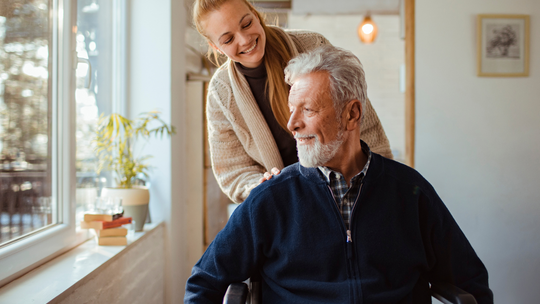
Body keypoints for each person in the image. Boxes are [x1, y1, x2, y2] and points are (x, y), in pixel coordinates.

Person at [184, 45, 493, 303]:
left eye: (308, 110)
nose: (291, 124)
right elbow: (203, 285)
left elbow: (471, 283)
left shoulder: (410, 192)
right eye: (292, 110)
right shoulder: (271, 198)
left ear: (352, 114)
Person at [193, 0, 393, 203]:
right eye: (228, 40)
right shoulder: (220, 92)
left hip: (349, 189)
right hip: (286, 204)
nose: (244, 40)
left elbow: (361, 123)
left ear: (255, 14)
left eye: (246, 24)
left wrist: (382, 180)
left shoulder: (313, 46)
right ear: (215, 47)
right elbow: (233, 171)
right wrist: (261, 185)